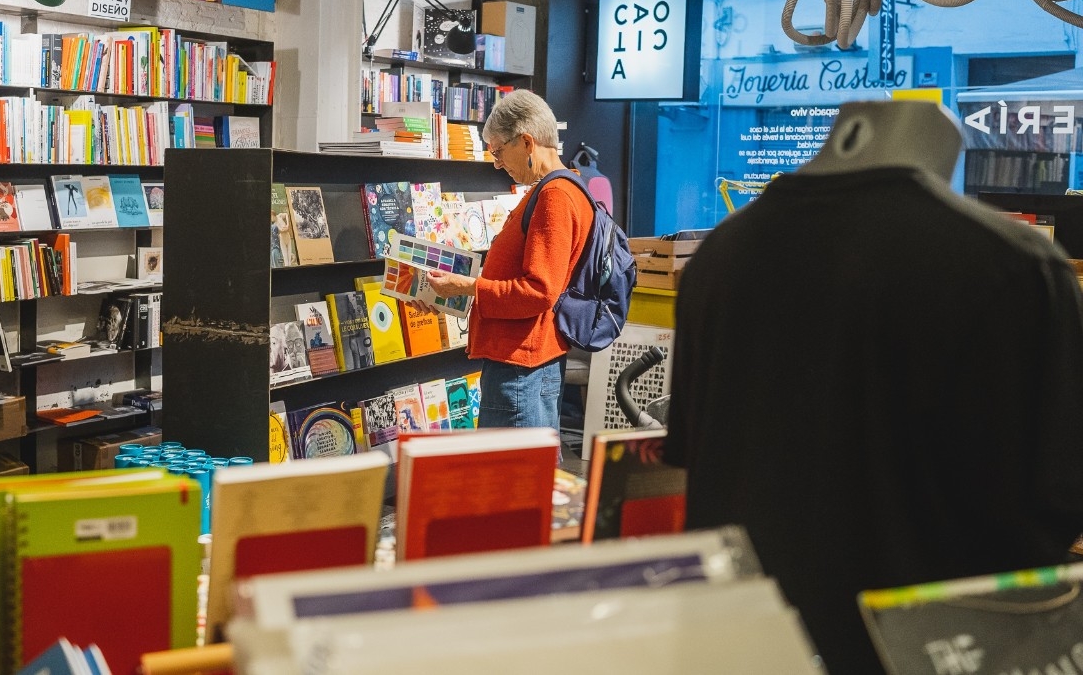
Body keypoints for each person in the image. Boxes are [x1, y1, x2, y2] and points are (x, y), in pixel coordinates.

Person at [663, 99, 1083, 675]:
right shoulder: (1016, 263)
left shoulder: (722, 254)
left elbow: (695, 453)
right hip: (937, 639)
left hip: (750, 632)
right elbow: (1059, 494)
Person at [426, 89, 594, 429]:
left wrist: (471, 286)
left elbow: (539, 291)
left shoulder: (555, 197)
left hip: (521, 367)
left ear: (527, 143)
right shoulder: (555, 190)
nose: (497, 163)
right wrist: (456, 291)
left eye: (499, 150)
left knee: (512, 476)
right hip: (524, 361)